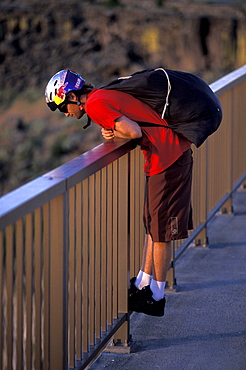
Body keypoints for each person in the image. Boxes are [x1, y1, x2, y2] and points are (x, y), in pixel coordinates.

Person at [45, 69, 194, 317]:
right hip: (164, 156)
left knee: (161, 231)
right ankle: (143, 284)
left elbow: (134, 131)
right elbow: (128, 121)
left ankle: (156, 297)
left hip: (168, 158)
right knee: (152, 224)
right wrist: (112, 129)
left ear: (71, 96)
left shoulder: (94, 104)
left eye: (62, 108)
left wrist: (114, 127)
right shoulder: (100, 96)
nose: (66, 114)